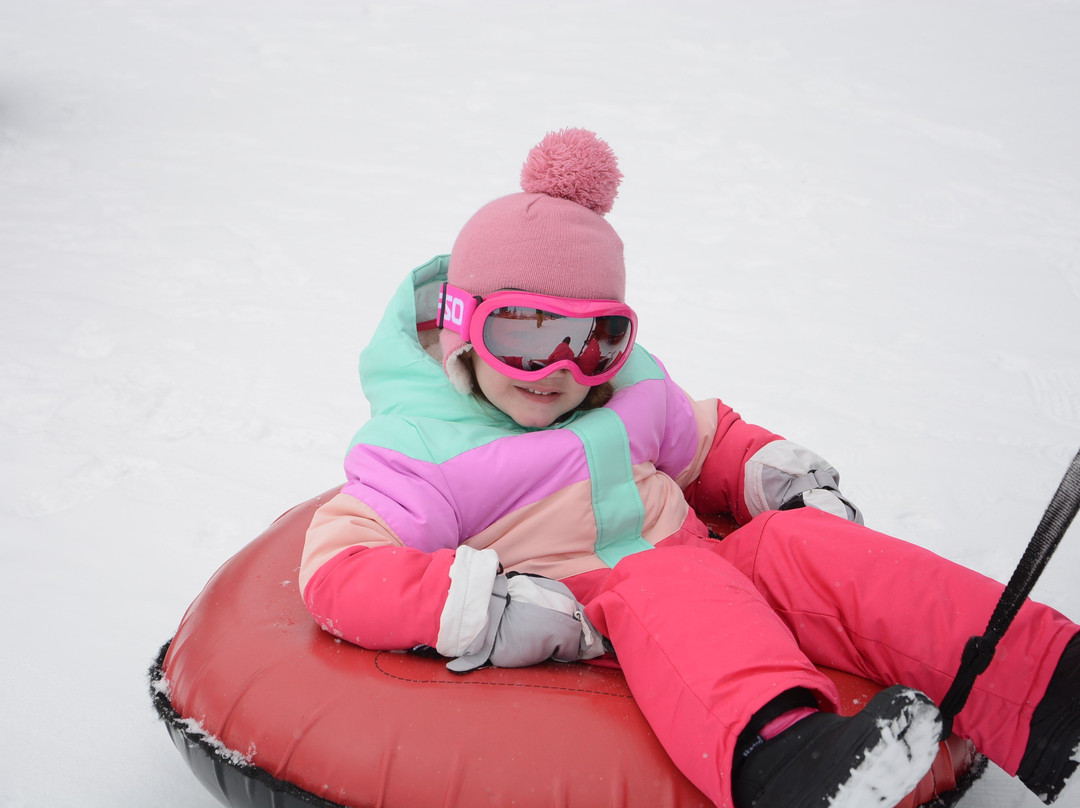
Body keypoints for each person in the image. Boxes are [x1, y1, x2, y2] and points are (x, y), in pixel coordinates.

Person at [300, 129, 1080, 808]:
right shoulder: (422, 447)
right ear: (467, 329)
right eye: (528, 337)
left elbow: (704, 437)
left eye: (597, 337)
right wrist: (483, 606)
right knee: (670, 586)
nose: (563, 369)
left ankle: (1051, 692)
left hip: (699, 557)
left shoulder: (629, 389)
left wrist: (772, 472)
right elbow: (340, 566)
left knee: (799, 548)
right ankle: (782, 757)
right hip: (584, 607)